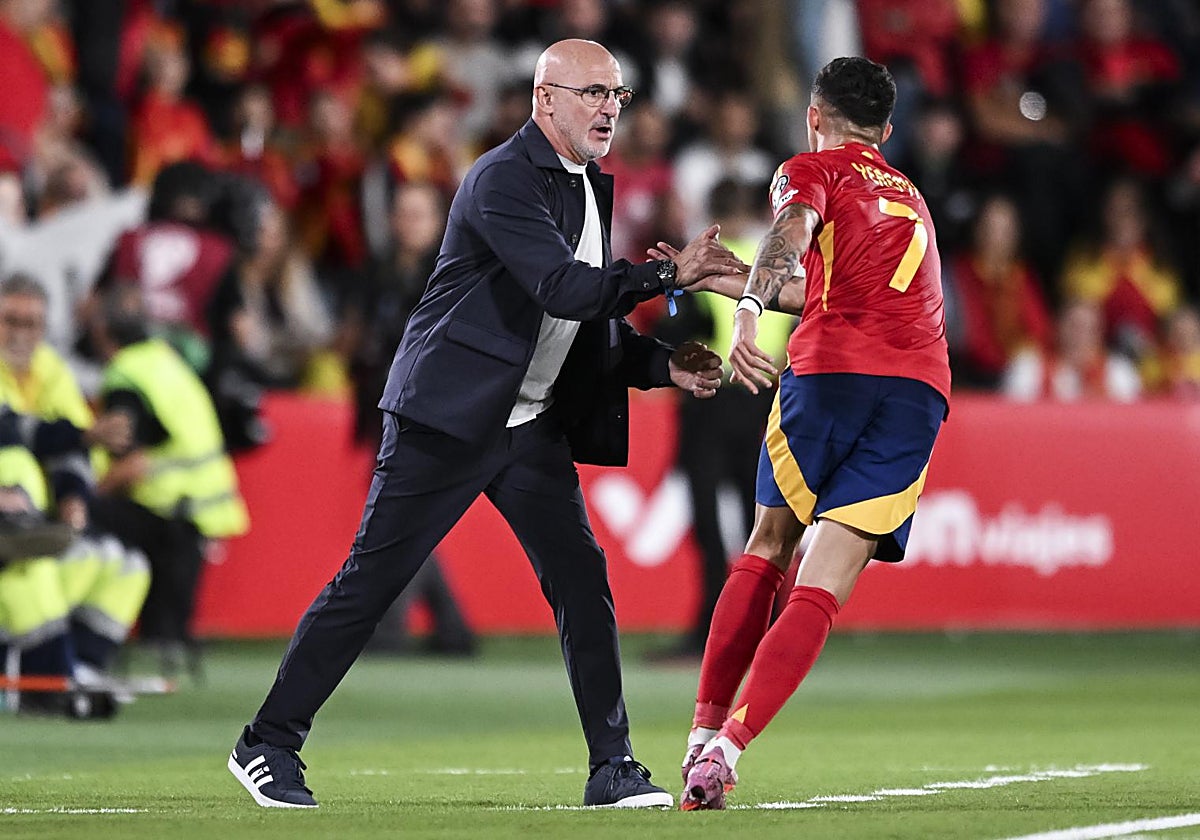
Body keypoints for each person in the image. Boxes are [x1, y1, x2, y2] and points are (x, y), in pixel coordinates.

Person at [226, 38, 741, 810]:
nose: (610, 107)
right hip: (449, 415)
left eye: (618, 95)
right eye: (593, 92)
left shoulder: (585, 183)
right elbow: (563, 288)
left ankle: (613, 766)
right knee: (371, 583)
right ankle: (265, 744)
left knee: (581, 579)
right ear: (545, 100)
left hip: (528, 423)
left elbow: (581, 327)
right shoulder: (503, 177)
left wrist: (657, 364)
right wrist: (668, 274)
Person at [654, 57, 951, 810]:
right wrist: (733, 282)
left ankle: (700, 731)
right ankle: (730, 749)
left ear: (814, 114)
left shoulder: (810, 167)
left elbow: (789, 233)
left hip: (830, 372)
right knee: (826, 581)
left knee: (769, 546)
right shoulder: (911, 196)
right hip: (917, 389)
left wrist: (748, 314)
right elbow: (826, 284)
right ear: (885, 131)